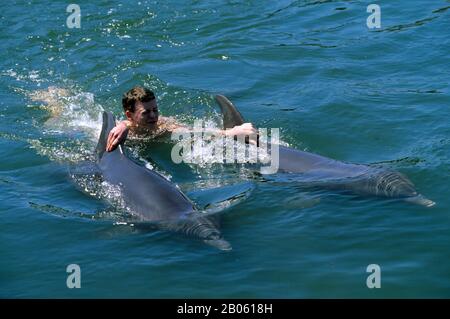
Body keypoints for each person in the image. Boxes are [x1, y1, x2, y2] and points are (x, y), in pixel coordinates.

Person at [106, 86, 256, 152]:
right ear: (129, 115)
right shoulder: (125, 130)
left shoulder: (162, 127)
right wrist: (124, 126)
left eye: (155, 110)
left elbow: (193, 132)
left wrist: (230, 133)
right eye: (146, 112)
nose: (153, 116)